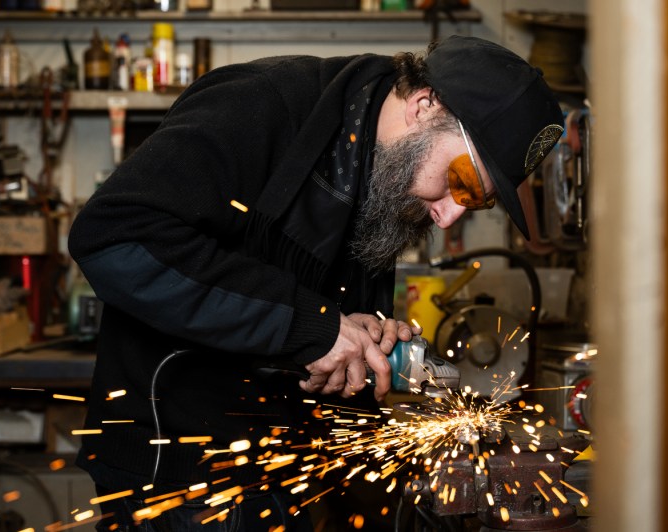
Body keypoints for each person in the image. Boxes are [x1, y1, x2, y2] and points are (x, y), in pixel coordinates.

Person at [67, 35, 564, 531]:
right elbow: (113, 237)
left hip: (285, 479)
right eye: (465, 182)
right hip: (181, 485)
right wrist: (312, 328)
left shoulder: (382, 174)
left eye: (477, 200)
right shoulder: (262, 105)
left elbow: (296, 313)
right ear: (424, 106)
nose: (450, 216)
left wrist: (354, 335)